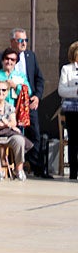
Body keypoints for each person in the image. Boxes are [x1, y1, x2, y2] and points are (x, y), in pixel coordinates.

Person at [0, 29, 48, 177]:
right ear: (12, 42)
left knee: (34, 134)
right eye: (20, 40)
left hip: (27, 103)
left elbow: (39, 79)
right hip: (6, 105)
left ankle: (36, 169)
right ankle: (8, 166)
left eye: (25, 40)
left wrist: (37, 96)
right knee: (10, 133)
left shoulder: (31, 57)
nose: (24, 43)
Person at [0, 82, 28, 180]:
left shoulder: (10, 106)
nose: (0, 92)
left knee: (19, 140)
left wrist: (8, 124)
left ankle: (19, 169)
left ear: (7, 92)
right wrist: (7, 124)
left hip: (6, 134)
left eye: (3, 90)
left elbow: (14, 122)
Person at [57, 41, 78, 180]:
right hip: (73, 109)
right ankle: (73, 172)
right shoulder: (67, 69)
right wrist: (76, 91)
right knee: (74, 140)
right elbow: (62, 90)